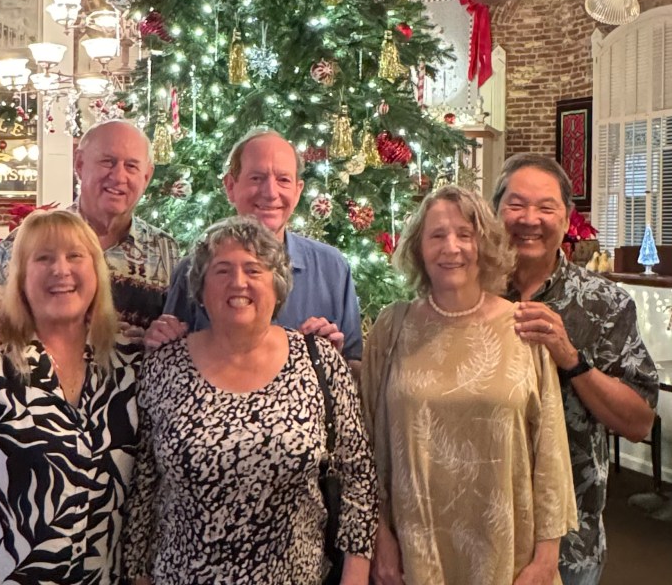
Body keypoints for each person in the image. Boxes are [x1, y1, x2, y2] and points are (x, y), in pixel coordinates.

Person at [124, 215, 377, 585]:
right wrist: (137, 575)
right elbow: (143, 487)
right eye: (222, 270)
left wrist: (354, 578)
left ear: (277, 285)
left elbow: (358, 477)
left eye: (253, 270)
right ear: (201, 289)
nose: (238, 282)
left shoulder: (319, 361)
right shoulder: (165, 365)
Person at [362, 185, 576, 585]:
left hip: (508, 554)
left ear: (486, 244)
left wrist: (547, 558)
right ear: (418, 248)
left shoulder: (523, 326)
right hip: (414, 552)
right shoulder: (392, 327)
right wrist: (378, 535)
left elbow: (550, 450)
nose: (452, 247)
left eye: (465, 234)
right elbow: (365, 444)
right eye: (437, 235)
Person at [0, 209, 140, 585]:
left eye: (75, 256)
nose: (61, 270)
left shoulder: (125, 363)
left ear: (97, 272)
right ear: (19, 276)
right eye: (43, 258)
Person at [493, 154, 659, 585]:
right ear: (495, 212)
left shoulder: (605, 303)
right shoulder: (469, 294)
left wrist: (571, 358)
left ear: (567, 219)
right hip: (478, 527)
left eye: (546, 208)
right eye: (516, 205)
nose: (530, 219)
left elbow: (639, 421)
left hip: (571, 543)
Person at [0, 119, 177, 354]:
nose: (118, 176)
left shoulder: (164, 250)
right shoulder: (28, 242)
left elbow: (183, 344)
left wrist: (165, 336)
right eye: (108, 161)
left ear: (146, 177)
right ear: (79, 164)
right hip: (37, 377)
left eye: (132, 166)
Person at [151, 128, 362, 360]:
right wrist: (161, 339)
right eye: (256, 178)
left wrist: (334, 358)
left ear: (298, 191)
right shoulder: (194, 270)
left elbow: (356, 365)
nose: (271, 193)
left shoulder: (332, 268)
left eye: (283, 180)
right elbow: (169, 358)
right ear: (230, 186)